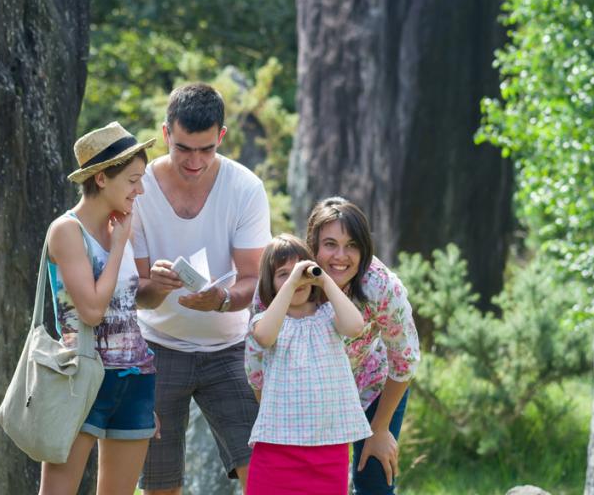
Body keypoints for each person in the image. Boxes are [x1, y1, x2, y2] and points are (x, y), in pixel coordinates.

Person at [132, 83, 272, 493]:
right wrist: (155, 287)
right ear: (165, 134)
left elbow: (254, 279)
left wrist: (223, 299)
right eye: (183, 148)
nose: (195, 161)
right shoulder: (139, 190)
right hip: (157, 345)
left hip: (229, 348)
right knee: (160, 483)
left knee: (261, 470)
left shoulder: (245, 187)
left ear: (222, 137)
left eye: (206, 149)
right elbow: (138, 292)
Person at [246, 198, 419, 494]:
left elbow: (404, 359)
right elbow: (256, 366)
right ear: (312, 245)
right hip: (304, 400)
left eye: (352, 245)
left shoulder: (380, 286)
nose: (341, 256)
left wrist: (379, 428)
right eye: (330, 244)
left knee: (374, 479)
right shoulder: (282, 283)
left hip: (371, 386)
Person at [39, 122, 161, 495]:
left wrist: (160, 286)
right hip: (82, 378)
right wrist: (120, 245)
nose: (140, 190)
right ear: (102, 178)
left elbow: (126, 306)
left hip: (136, 378)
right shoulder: (66, 231)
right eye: (132, 180)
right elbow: (92, 311)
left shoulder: (118, 227)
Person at [245, 234, 370, 494]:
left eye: (301, 270)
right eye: (283, 274)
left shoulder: (329, 317)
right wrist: (291, 284)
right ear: (271, 284)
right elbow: (265, 337)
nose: (296, 279)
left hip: (328, 446)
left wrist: (323, 279)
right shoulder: (265, 320)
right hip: (276, 447)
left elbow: (356, 326)